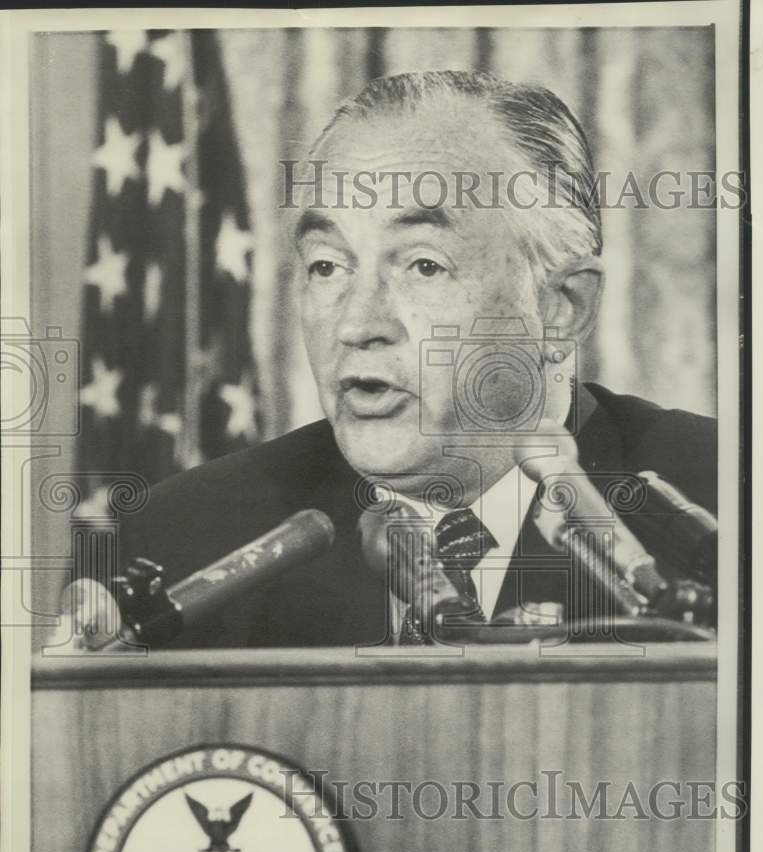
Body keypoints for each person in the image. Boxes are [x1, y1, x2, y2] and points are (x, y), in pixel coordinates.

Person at [117, 71, 716, 648]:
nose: (358, 325)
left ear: (562, 307)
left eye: (424, 265)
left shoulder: (731, 504)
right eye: (327, 266)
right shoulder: (188, 539)